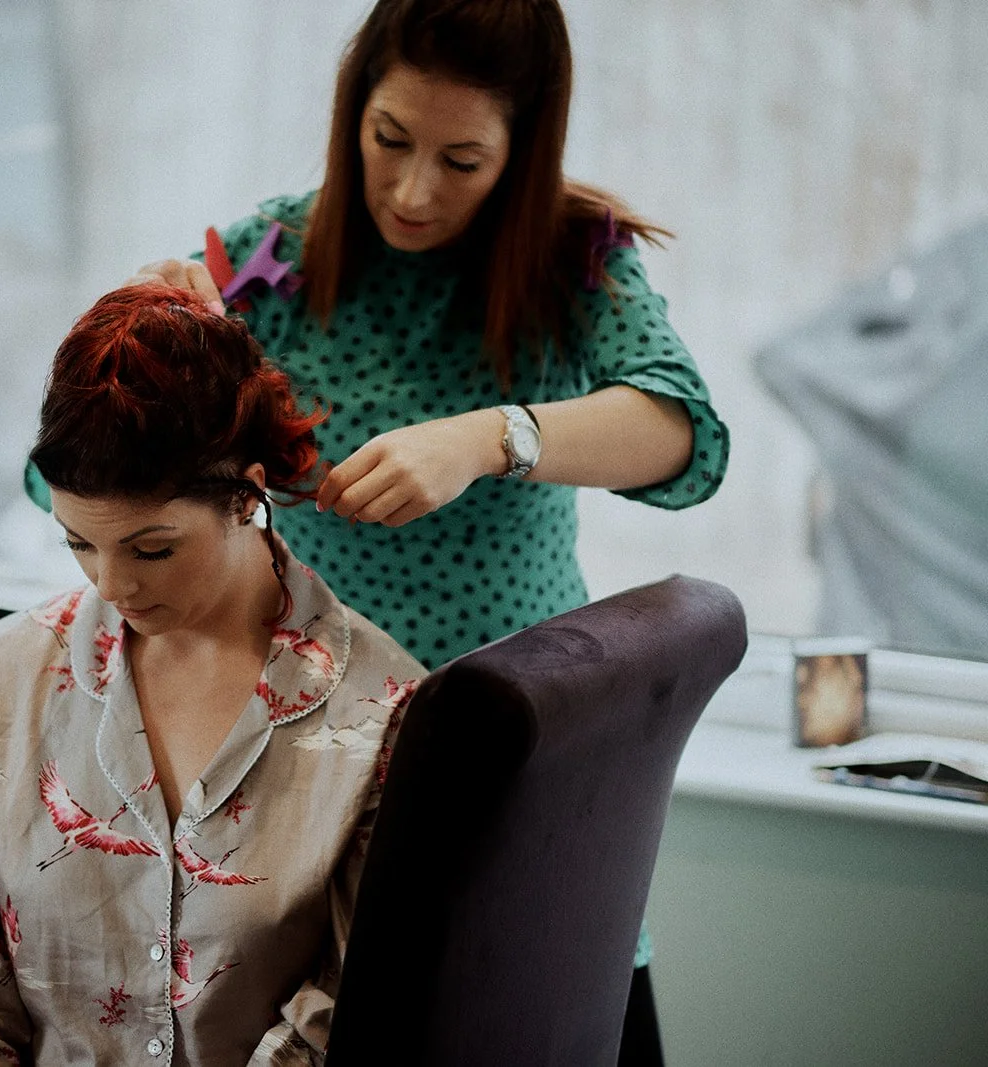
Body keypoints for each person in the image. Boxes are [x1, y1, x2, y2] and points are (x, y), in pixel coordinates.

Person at [89, 1, 731, 1059]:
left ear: (523, 152)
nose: (413, 189)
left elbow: (683, 434)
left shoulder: (576, 265)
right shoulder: (265, 265)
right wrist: (146, 347)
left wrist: (494, 436)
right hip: (311, 776)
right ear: (352, 109)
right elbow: (65, 481)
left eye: (462, 158)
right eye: (389, 140)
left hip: (521, 769)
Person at [0, 286, 426, 1065]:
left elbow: (356, 1019)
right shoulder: (5, 676)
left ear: (247, 495)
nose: (111, 587)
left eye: (152, 549)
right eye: (79, 543)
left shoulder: (383, 712)